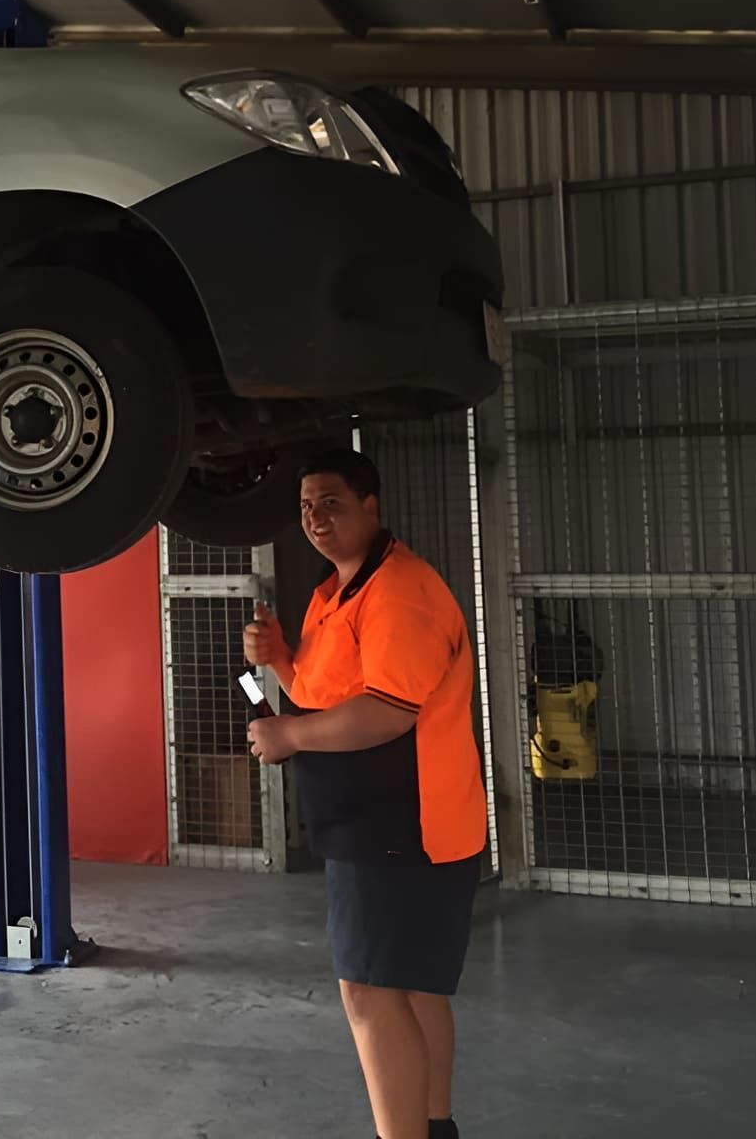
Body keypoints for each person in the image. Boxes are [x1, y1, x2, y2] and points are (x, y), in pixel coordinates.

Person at [243, 447, 486, 1139]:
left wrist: (288, 738)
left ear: (371, 507)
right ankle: (434, 1128)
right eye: (306, 508)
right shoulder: (338, 590)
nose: (316, 519)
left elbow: (387, 711)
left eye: (332, 503)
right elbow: (322, 696)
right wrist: (280, 659)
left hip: (403, 826)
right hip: (380, 822)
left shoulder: (399, 592)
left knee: (370, 992)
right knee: (412, 986)